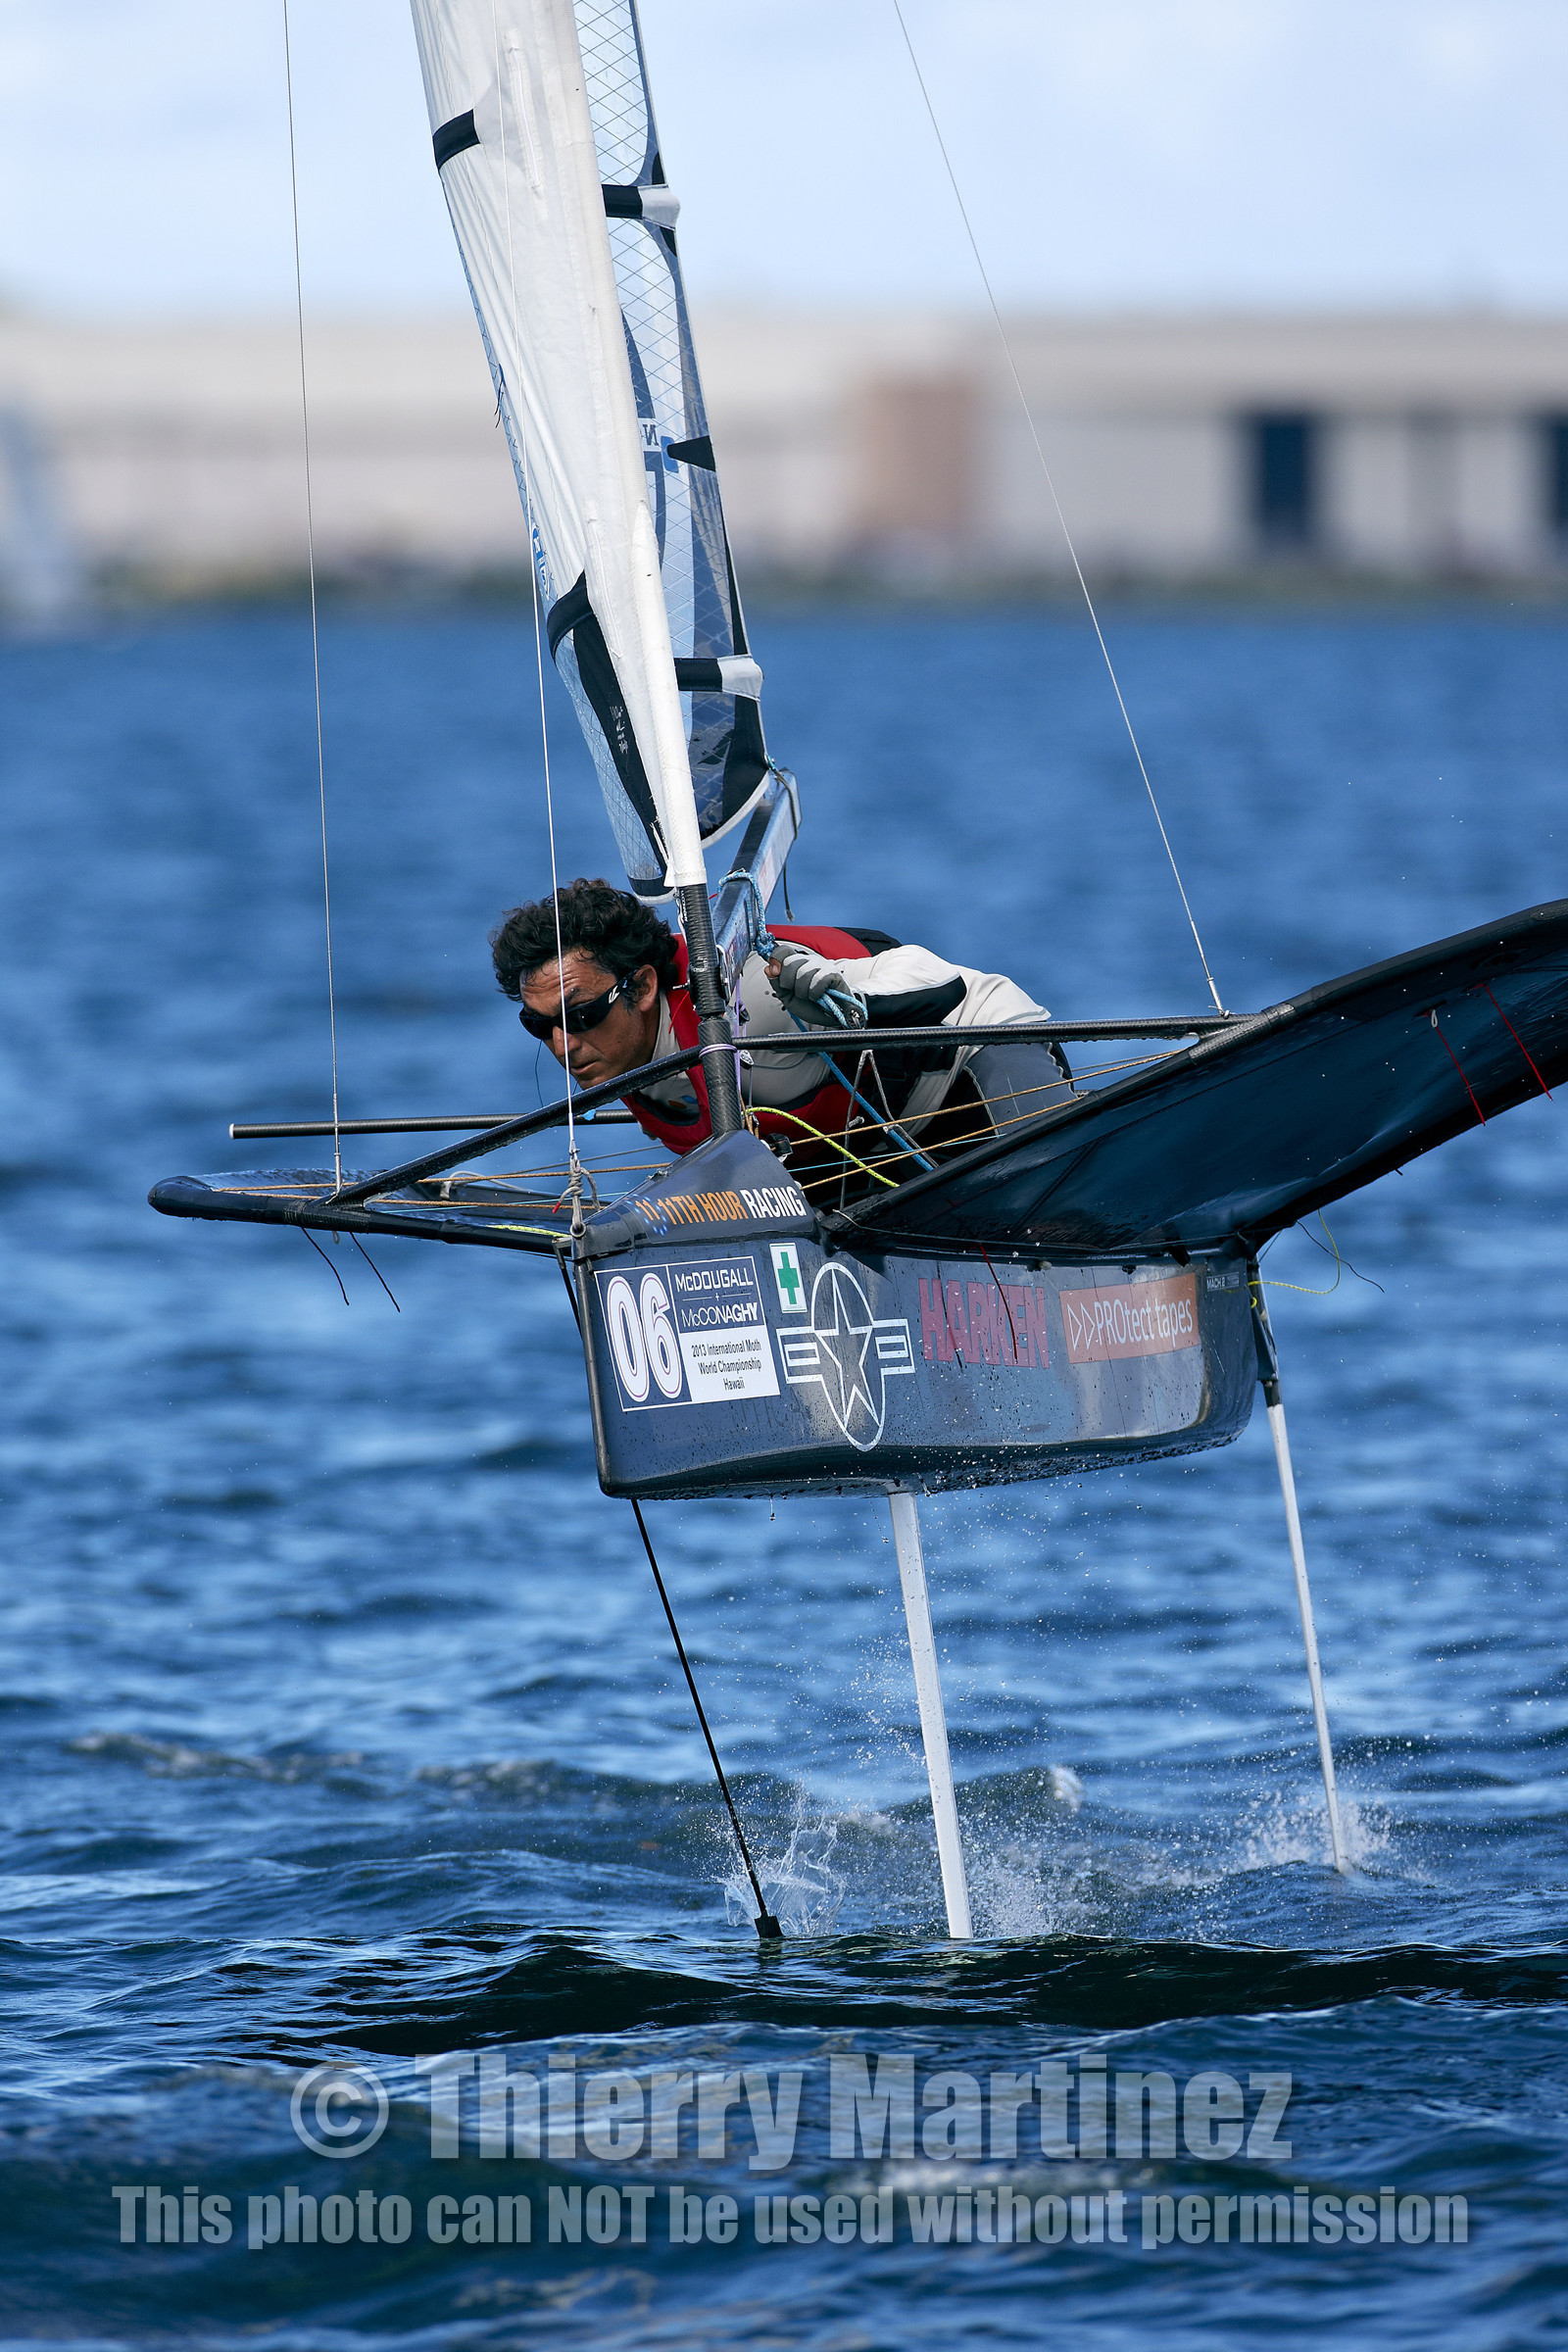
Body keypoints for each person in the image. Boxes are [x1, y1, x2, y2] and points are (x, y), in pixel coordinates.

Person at [489, 876, 1067, 1185]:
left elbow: (945, 984)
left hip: (984, 1061)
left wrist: (845, 1003)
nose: (563, 1044)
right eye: (538, 1025)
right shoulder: (632, 1060)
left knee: (1056, 1206)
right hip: (872, 1152)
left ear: (641, 988)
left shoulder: (747, 993)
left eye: (580, 1014)